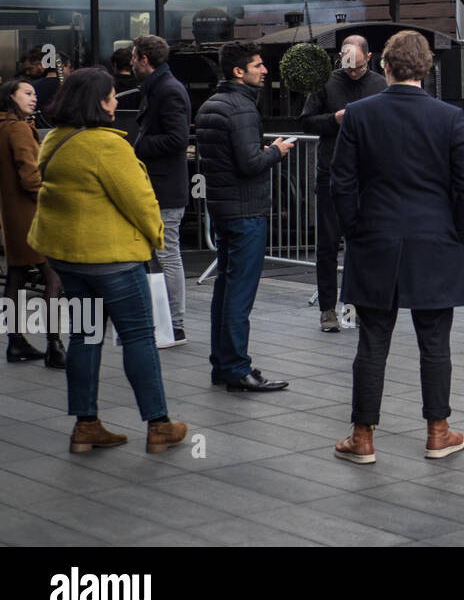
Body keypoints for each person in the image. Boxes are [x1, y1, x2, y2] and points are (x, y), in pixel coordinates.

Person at [330, 31, 464, 464]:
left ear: (386, 67)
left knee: (372, 341)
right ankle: (437, 432)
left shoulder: (358, 114)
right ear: (427, 69)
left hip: (374, 241)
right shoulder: (450, 118)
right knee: (435, 342)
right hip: (435, 243)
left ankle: (362, 437)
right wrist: (458, 234)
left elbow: (342, 183)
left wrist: (355, 229)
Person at [27, 68, 187, 454]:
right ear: (99, 101)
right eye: (113, 96)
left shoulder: (55, 140)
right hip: (113, 259)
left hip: (67, 258)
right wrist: (156, 237)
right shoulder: (108, 146)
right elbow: (140, 201)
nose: (117, 102)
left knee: (85, 336)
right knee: (138, 338)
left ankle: (86, 425)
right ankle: (159, 424)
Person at [194, 42, 294, 392]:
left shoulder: (211, 105)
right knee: (239, 293)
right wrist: (276, 151)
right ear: (239, 72)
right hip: (246, 210)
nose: (264, 70)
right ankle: (237, 367)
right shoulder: (241, 109)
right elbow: (250, 163)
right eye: (257, 65)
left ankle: (223, 364)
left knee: (225, 288)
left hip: (222, 209)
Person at [299, 34, 386, 332]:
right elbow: (306, 121)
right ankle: (327, 310)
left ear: (369, 57)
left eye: (359, 67)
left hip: (366, 176)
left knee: (360, 245)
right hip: (331, 173)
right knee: (327, 244)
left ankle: (352, 309)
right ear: (340, 57)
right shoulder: (326, 82)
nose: (353, 71)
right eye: (348, 66)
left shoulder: (379, 85)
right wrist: (334, 119)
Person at [131, 34, 192, 345]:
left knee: (166, 253)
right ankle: (165, 322)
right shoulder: (159, 88)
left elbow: (178, 139)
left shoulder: (167, 91)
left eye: (133, 58)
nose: (130, 64)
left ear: (144, 60)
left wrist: (139, 146)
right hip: (159, 184)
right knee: (159, 254)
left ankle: (175, 324)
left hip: (165, 186)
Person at [0, 77, 65, 366]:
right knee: (53, 277)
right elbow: (31, 177)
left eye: (34, 93)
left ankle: (15, 341)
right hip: (31, 214)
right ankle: (54, 345)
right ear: (10, 96)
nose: (33, 98)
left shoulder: (4, 126)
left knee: (15, 275)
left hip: (10, 215)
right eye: (26, 93)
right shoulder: (19, 130)